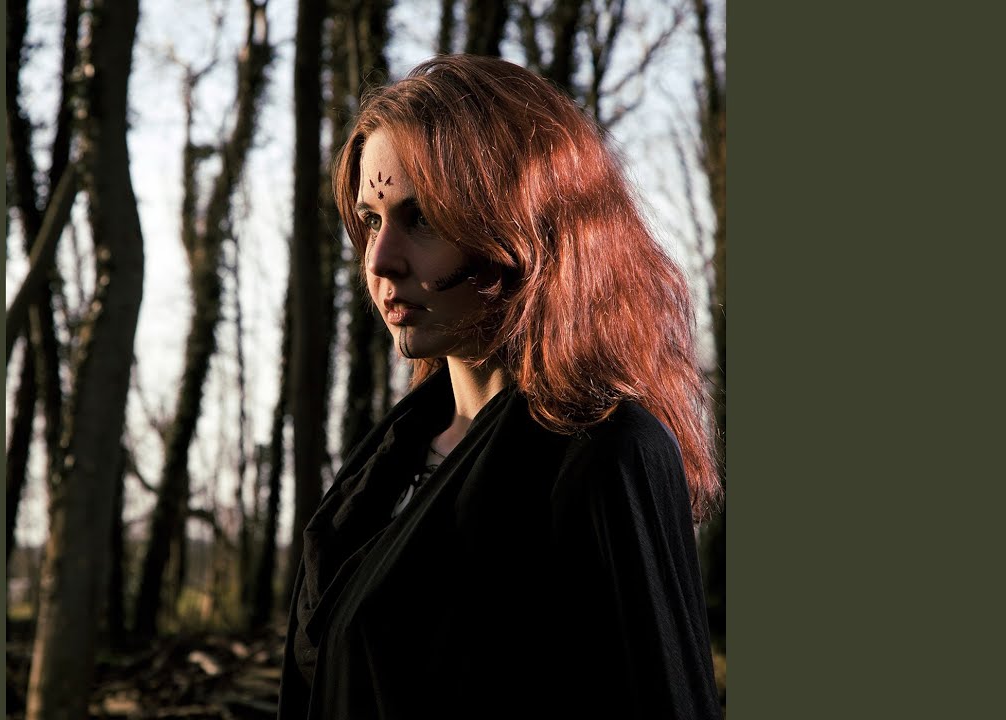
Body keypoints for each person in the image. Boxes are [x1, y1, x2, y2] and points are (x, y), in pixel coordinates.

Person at [277, 54, 723, 719]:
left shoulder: (607, 454)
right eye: (372, 220)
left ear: (523, 227)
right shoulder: (388, 461)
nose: (380, 259)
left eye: (421, 218)